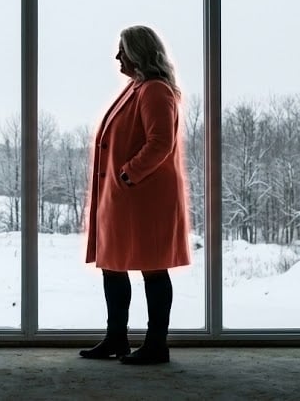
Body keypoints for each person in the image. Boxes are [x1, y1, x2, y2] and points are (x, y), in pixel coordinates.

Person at [79, 25, 192, 365]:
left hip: (143, 200)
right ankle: (117, 338)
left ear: (139, 52)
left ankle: (156, 344)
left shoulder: (156, 90)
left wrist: (128, 174)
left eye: (122, 50)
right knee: (113, 266)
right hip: (125, 199)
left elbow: (160, 143)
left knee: (153, 270)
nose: (117, 57)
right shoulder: (138, 88)